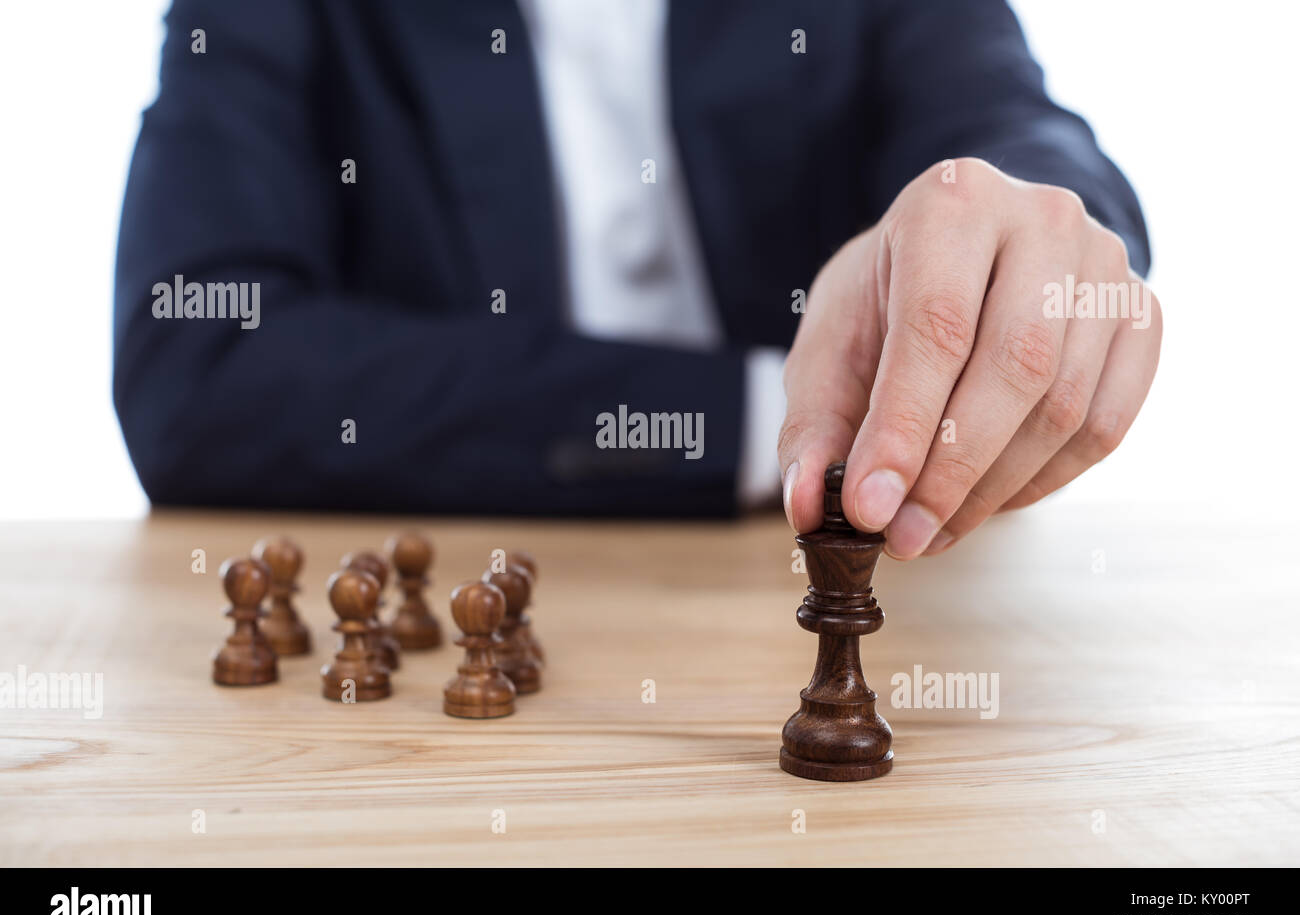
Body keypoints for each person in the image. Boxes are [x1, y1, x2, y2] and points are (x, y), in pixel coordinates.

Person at [113, 0, 1159, 561]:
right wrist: (783, 419)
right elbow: (197, 366)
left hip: (897, 599)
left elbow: (1014, 129)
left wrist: (1030, 232)